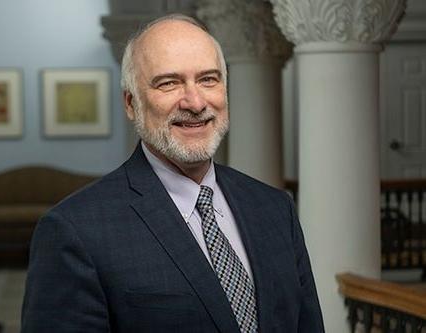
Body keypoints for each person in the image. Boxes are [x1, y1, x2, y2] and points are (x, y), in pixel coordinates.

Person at [21, 14, 324, 333]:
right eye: (169, 83)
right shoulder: (74, 231)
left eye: (208, 79)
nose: (195, 102)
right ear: (131, 103)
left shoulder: (275, 208)